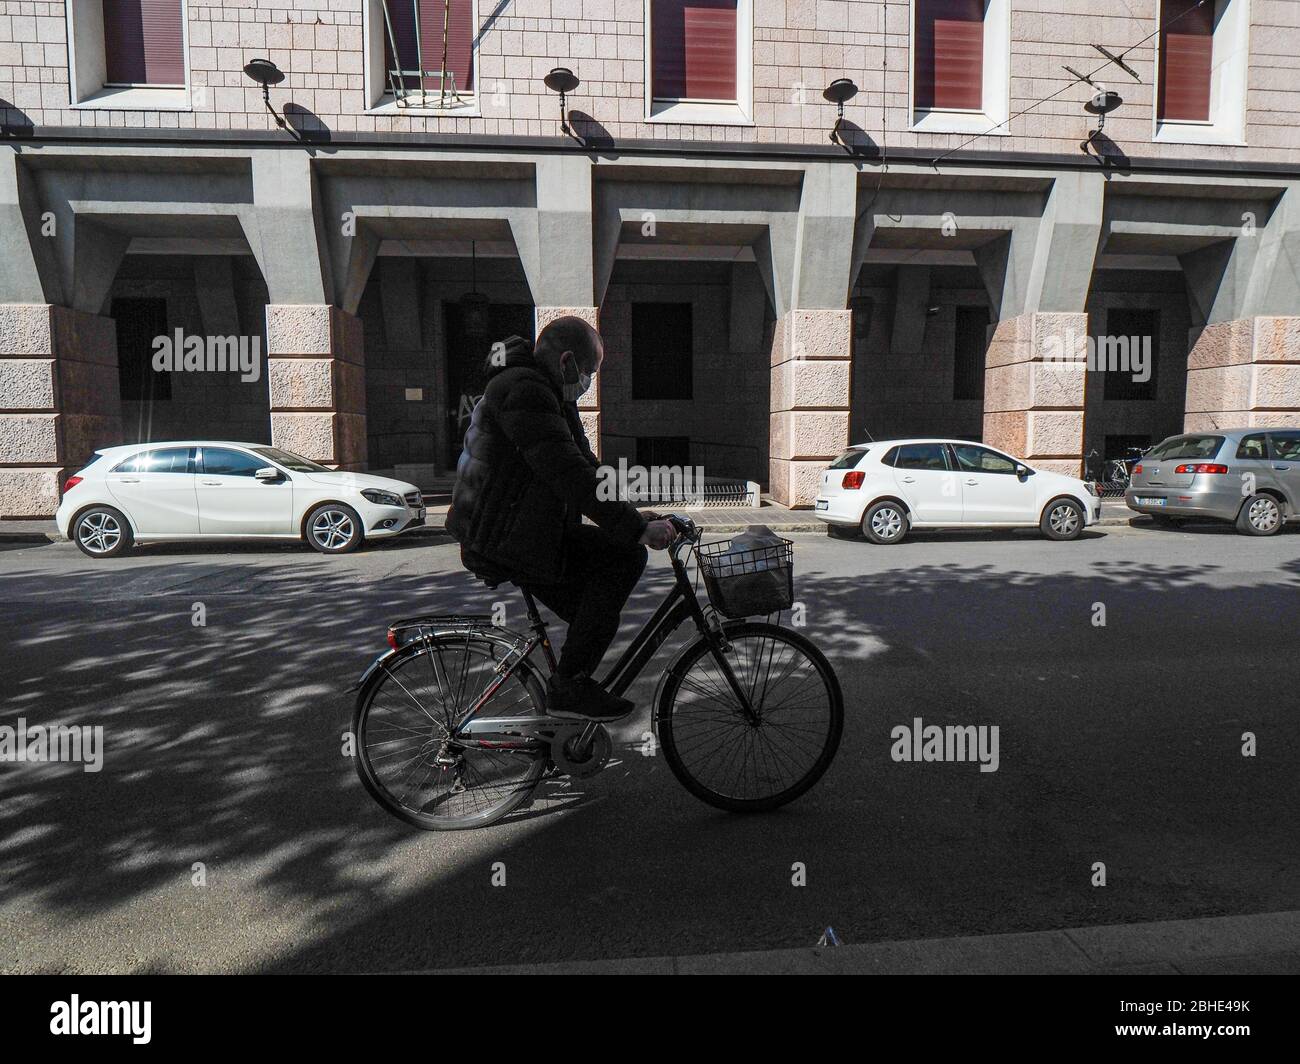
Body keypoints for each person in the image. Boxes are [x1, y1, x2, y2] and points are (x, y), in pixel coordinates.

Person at [446, 316, 677, 721]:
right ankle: (568, 688)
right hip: (503, 538)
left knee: (599, 605)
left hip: (518, 529)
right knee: (621, 563)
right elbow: (566, 472)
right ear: (568, 361)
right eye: (589, 372)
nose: (588, 381)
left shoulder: (549, 393)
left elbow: (587, 466)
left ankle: (570, 686)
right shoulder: (525, 390)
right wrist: (637, 530)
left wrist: (633, 516)